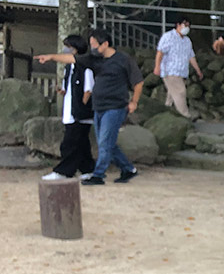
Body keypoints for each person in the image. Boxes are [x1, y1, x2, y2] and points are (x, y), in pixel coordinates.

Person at [35, 28, 144, 185]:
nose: (92, 48)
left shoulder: (123, 59)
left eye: (95, 45)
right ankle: (128, 169)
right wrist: (51, 57)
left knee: (104, 142)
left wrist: (134, 101)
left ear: (105, 44)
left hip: (116, 107)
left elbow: (138, 82)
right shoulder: (94, 59)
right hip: (98, 107)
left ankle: (98, 175)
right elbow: (72, 58)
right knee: (107, 142)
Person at [41, 34, 96, 181]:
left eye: (69, 47)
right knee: (82, 143)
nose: (65, 49)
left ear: (76, 49)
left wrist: (82, 105)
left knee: (69, 144)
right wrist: (61, 91)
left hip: (79, 113)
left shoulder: (85, 68)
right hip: (70, 111)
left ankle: (64, 171)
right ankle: (88, 169)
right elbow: (68, 89)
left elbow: (88, 90)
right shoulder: (68, 68)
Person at [154, 17, 204, 119]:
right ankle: (185, 115)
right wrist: (157, 66)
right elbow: (160, 52)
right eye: (185, 24)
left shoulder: (187, 41)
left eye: (188, 25)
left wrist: (198, 70)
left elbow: (191, 56)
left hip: (182, 72)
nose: (186, 27)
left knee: (172, 96)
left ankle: (165, 115)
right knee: (180, 92)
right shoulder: (168, 37)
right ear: (178, 24)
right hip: (170, 71)